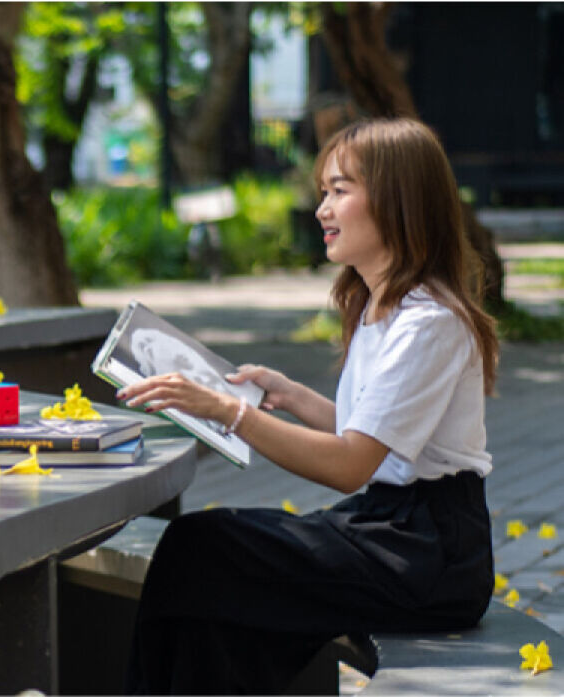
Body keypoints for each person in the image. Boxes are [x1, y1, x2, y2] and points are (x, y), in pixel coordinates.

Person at [117, 117, 500, 694]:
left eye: (340, 191)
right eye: (323, 191)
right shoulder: (382, 306)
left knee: (203, 548)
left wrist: (230, 413)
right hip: (391, 527)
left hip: (430, 553)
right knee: (210, 577)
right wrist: (290, 396)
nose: (322, 208)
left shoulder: (430, 322)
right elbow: (371, 434)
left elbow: (351, 464)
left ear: (399, 200)